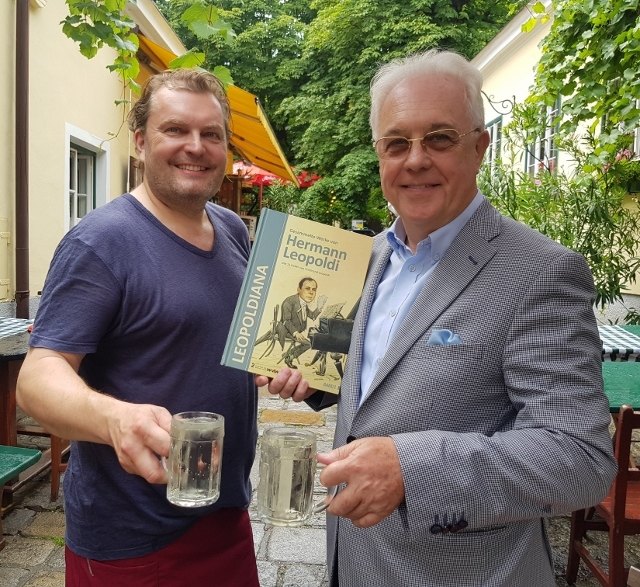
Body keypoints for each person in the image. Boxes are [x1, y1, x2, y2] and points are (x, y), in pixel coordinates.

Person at [264, 49, 617, 586]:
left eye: (440, 138)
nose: (415, 159)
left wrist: (412, 469)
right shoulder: (372, 255)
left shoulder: (541, 272)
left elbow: (579, 457)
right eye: (397, 143)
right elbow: (382, 377)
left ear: (479, 147)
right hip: (353, 563)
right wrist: (316, 384)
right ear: (380, 154)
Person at [16, 69, 263, 586]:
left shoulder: (232, 229)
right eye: (176, 130)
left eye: (211, 134)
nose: (195, 147)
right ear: (141, 140)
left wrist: (278, 368)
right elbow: (37, 377)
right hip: (135, 538)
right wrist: (114, 419)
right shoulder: (101, 242)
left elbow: (222, 343)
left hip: (226, 513)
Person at [277, 277, 326, 368]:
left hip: (295, 331)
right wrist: (296, 333)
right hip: (286, 330)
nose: (311, 292)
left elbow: (312, 316)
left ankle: (288, 354)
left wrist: (319, 307)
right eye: (307, 288)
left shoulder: (303, 303)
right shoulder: (289, 301)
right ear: (299, 289)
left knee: (308, 343)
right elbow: (286, 321)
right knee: (308, 344)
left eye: (314, 290)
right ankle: (289, 358)